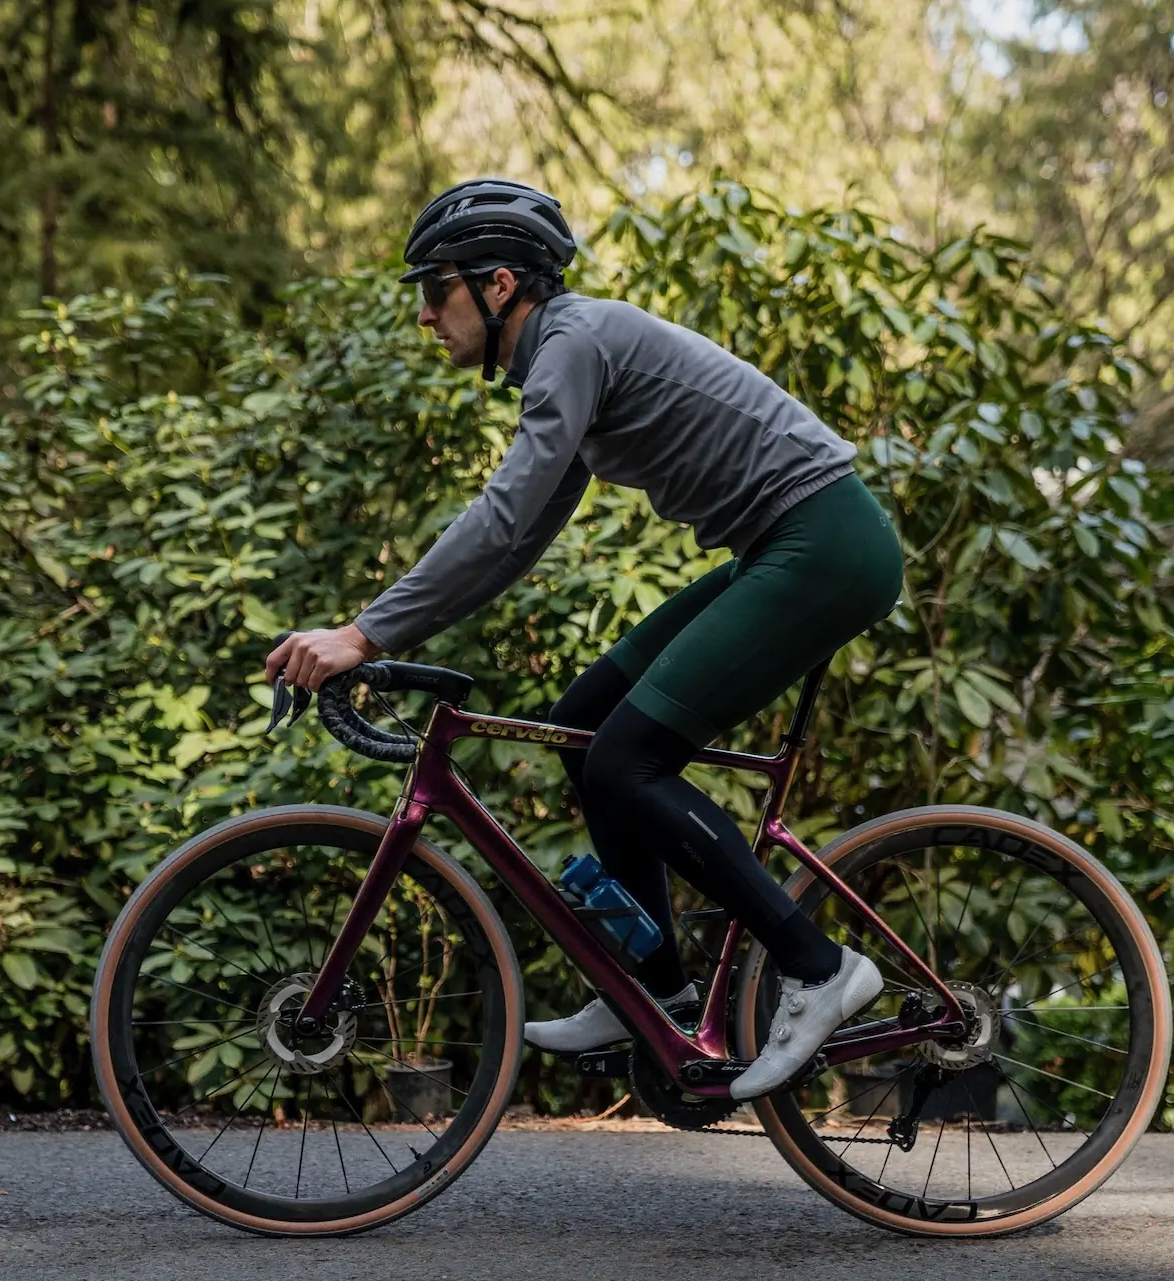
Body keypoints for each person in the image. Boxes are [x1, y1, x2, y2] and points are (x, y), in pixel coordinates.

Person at [265, 179, 904, 1099]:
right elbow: (517, 537)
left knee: (624, 762)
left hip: (825, 545)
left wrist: (364, 634)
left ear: (495, 285)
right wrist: (380, 629)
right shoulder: (565, 358)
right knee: (585, 725)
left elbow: (500, 517)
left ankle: (815, 966)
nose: (422, 316)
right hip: (790, 543)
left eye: (431, 291)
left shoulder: (572, 341)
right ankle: (659, 989)